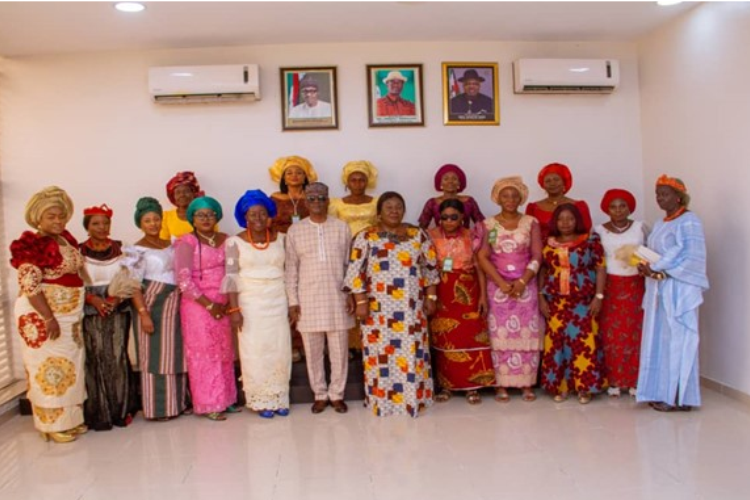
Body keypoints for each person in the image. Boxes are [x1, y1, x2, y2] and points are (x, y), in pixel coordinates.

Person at [343, 191, 439, 417]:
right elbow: (355, 272)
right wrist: (361, 302)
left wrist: (431, 298)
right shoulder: (366, 236)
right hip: (378, 308)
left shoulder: (418, 236)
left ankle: (413, 399)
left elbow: (431, 269)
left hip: (411, 307)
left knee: (412, 352)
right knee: (381, 355)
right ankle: (382, 401)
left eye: (399, 207)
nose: (394, 211)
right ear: (378, 213)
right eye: (389, 207)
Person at [10, 186, 87, 443]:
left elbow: (77, 274)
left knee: (70, 365)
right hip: (43, 314)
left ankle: (70, 420)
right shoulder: (31, 243)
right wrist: (48, 318)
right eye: (51, 216)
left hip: (69, 315)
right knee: (48, 366)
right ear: (38, 218)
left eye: (61, 216)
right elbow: (30, 285)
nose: (58, 221)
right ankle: (50, 424)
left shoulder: (65, 239)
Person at [636, 176, 708, 412]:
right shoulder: (660, 223)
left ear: (679, 196)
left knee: (680, 341)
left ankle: (679, 396)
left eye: (664, 194)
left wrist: (660, 270)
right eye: (657, 194)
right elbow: (655, 253)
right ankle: (661, 391)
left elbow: (693, 257)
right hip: (660, 289)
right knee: (662, 341)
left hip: (680, 288)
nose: (660, 198)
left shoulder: (689, 221)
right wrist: (645, 265)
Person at [286, 182, 355, 414]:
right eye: (312, 198)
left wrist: (351, 294)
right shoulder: (295, 231)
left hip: (337, 297)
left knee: (339, 351)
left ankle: (337, 394)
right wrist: (293, 301)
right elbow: (291, 269)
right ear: (306, 202)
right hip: (308, 299)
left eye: (321, 198)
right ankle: (320, 394)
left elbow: (349, 265)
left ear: (328, 200)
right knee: (313, 352)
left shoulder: (341, 228)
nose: (316, 202)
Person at [224, 190, 292, 419]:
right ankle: (260, 399)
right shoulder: (234, 242)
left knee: (279, 348)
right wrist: (234, 310)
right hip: (250, 302)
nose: (258, 219)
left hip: (278, 299)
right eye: (253, 215)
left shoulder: (282, 238)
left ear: (269, 214)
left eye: (262, 214)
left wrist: (292, 303)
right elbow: (231, 277)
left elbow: (289, 271)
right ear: (245, 217)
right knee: (255, 350)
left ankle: (280, 396)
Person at [477, 177, 543, 403]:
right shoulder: (488, 224)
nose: (510, 200)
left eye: (515, 195)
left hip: (526, 287)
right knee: (500, 336)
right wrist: (501, 283)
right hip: (498, 288)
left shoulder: (531, 222)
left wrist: (523, 281)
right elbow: (482, 256)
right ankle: (501, 384)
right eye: (505, 195)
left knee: (527, 333)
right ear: (497, 198)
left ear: (521, 198)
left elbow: (537, 255)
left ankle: (526, 383)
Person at [173, 196, 239, 421]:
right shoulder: (186, 242)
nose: (206, 219)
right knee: (204, 354)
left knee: (224, 351)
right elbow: (183, 280)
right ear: (192, 218)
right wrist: (209, 305)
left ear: (217, 216)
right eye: (200, 215)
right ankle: (209, 403)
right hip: (198, 307)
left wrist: (228, 301)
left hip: (224, 303)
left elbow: (233, 272)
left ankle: (227, 399)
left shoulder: (227, 240)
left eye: (210, 214)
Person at [125, 197, 189, 421]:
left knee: (175, 353)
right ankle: (159, 408)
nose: (152, 224)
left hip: (175, 304)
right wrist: (143, 314)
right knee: (154, 355)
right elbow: (133, 286)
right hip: (151, 305)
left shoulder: (172, 243)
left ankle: (178, 403)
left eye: (156, 219)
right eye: (147, 220)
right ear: (140, 223)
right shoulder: (135, 250)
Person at [429, 199, 495, 405]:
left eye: (454, 216)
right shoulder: (431, 235)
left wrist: (483, 295)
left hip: (469, 289)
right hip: (442, 291)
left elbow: (479, 267)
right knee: (445, 337)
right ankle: (447, 385)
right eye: (444, 217)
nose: (449, 221)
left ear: (462, 217)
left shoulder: (471, 235)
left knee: (470, 337)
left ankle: (472, 387)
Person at [539, 203, 606, 404]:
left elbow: (600, 268)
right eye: (561, 219)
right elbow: (543, 271)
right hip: (556, 302)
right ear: (555, 222)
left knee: (583, 343)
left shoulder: (590, 241)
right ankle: (560, 386)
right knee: (556, 344)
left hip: (582, 302)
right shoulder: (548, 243)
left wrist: (599, 296)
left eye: (570, 219)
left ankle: (584, 387)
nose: (565, 223)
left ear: (577, 220)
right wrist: (541, 297)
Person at [80, 204, 138, 430]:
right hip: (91, 309)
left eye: (105, 223)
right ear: (87, 226)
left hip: (117, 308)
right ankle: (99, 412)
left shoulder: (122, 249)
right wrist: (93, 300)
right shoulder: (78, 252)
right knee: (95, 358)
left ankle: (121, 410)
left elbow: (131, 278)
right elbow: (75, 284)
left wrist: (114, 299)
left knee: (117, 357)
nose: (101, 227)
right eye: (96, 223)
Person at [594, 189, 647, 398]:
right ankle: (614, 381)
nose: (618, 210)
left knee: (635, 333)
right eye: (613, 207)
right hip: (609, 286)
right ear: (607, 209)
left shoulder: (641, 227)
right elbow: (596, 261)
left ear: (629, 207)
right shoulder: (598, 230)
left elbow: (651, 254)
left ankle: (634, 380)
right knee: (610, 334)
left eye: (622, 206)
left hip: (635, 285)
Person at [269, 155, 318, 362]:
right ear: (283, 177)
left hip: (308, 251)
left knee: (306, 297)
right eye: (289, 172)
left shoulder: (314, 197)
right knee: (286, 298)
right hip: (281, 250)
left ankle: (309, 342)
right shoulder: (274, 199)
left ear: (306, 176)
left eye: (299, 172)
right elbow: (268, 225)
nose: (294, 176)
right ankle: (292, 344)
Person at [525, 163, 593, 240]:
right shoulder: (533, 208)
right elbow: (528, 234)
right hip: (541, 250)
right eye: (548, 181)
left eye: (556, 179)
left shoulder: (579, 206)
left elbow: (585, 233)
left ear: (564, 182)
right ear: (543, 185)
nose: (552, 183)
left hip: (573, 250)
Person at [418, 164, 485, 229]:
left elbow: (482, 225)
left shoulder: (469, 202)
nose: (450, 181)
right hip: (439, 239)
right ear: (440, 183)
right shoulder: (432, 203)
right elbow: (422, 228)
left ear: (459, 182)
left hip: (466, 239)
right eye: (446, 179)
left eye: (454, 179)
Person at [328, 160, 379, 237]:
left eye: (361, 180)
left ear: (367, 182)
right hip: (345, 243)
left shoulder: (377, 202)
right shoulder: (336, 204)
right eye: (353, 180)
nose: (357, 184)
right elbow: (333, 228)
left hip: (372, 243)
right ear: (347, 183)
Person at [159, 171, 207, 241]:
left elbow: (213, 240)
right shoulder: (166, 217)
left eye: (186, 191)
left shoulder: (206, 214)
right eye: (178, 192)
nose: (182, 195)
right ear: (173, 196)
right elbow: (163, 243)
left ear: (193, 193)